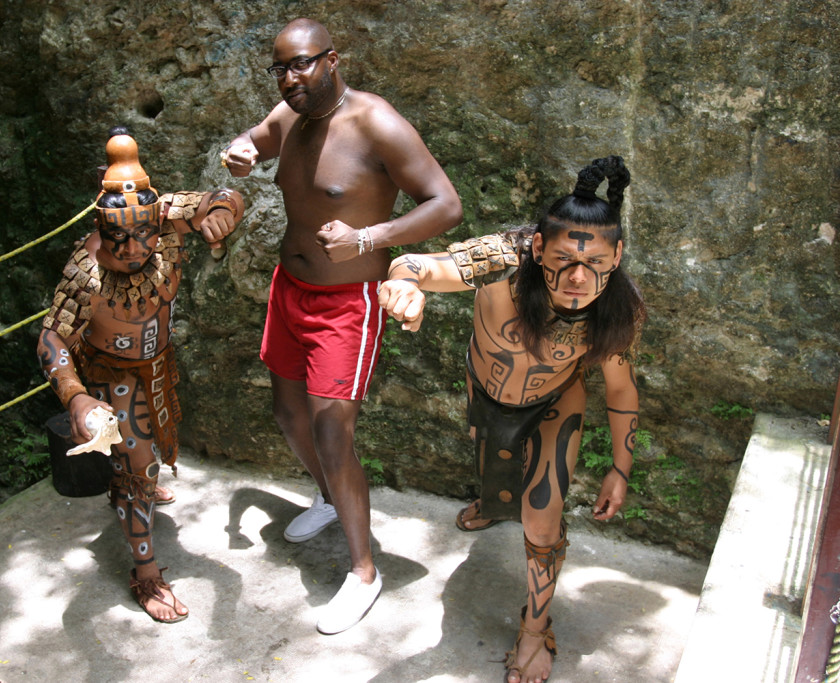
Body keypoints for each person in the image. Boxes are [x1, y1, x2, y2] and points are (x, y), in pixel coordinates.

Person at [221, 18, 462, 634]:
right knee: (287, 414)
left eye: (301, 64)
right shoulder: (289, 115)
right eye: (279, 68)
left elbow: (445, 203)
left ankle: (363, 573)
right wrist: (243, 150)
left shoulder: (375, 122)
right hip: (289, 289)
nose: (290, 78)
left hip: (346, 300)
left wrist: (370, 236)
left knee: (334, 431)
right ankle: (328, 498)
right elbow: (256, 141)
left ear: (332, 59)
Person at [379, 156, 645, 682]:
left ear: (615, 257)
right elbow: (423, 264)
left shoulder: (616, 310)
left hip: (554, 403)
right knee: (494, 467)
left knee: (542, 517)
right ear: (539, 247)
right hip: (488, 393)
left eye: (593, 263)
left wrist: (621, 466)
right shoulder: (502, 260)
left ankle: (534, 627)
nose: (576, 277)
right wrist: (405, 284)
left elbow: (620, 388)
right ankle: (495, 500)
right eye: (564, 258)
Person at [36, 127, 244, 623]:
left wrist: (220, 216)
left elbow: (227, 195)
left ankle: (127, 483)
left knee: (154, 445)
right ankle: (146, 572)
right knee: (141, 466)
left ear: (155, 220)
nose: (132, 248)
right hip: (112, 377)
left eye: (143, 233)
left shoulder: (168, 219)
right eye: (118, 237)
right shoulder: (86, 272)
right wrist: (77, 399)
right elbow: (51, 339)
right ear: (101, 228)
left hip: (158, 367)